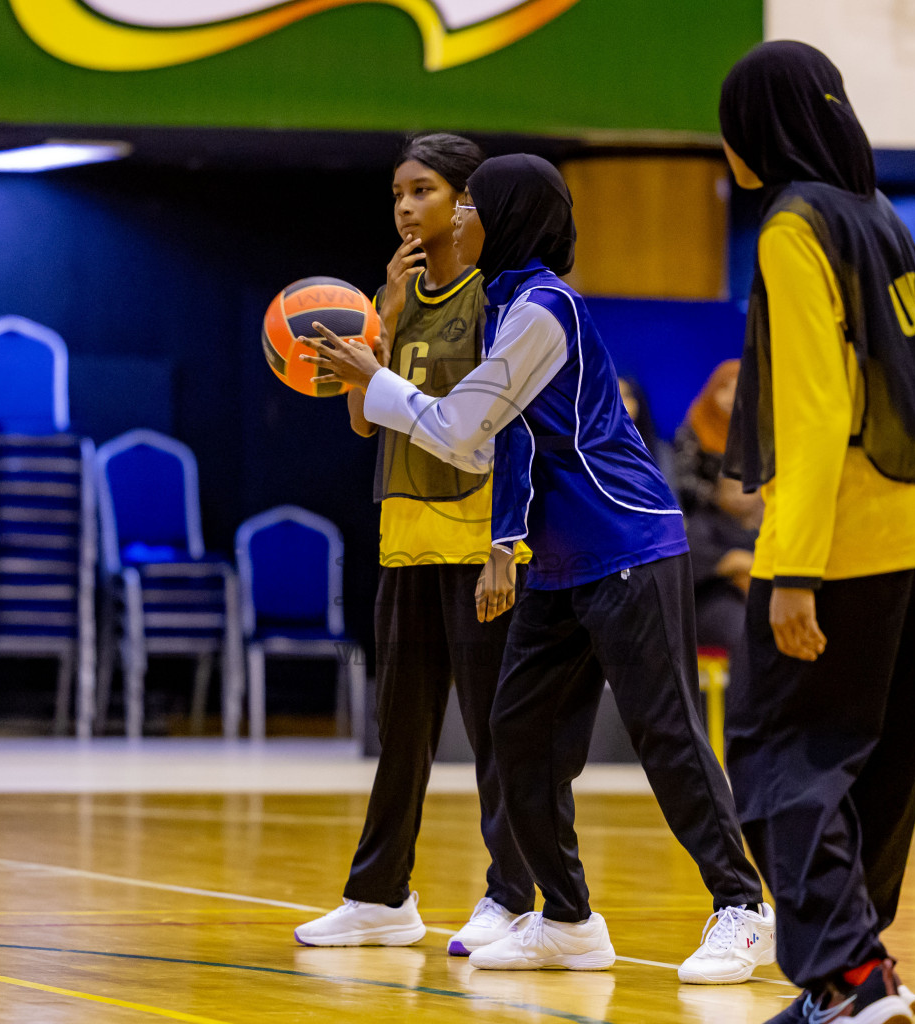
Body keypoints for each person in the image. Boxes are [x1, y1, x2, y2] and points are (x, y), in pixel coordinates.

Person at [299, 152, 776, 985]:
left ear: (512, 216)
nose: (451, 219)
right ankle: (566, 916)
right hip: (559, 561)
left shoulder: (544, 310)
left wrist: (374, 378)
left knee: (666, 733)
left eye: (468, 205)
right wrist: (505, 546)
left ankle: (742, 904)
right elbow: (506, 445)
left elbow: (458, 429)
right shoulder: (508, 307)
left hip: (629, 543)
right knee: (516, 736)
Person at [717, 42, 915, 1023]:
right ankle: (854, 976)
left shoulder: (793, 224)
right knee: (868, 761)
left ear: (761, 128)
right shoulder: (882, 215)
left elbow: (820, 411)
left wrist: (796, 570)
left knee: (781, 755)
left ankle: (852, 975)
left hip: (843, 531)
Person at [293, 134, 535, 957]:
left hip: (478, 548)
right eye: (398, 191)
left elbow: (506, 432)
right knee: (401, 737)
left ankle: (511, 898)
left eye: (423, 190)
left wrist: (510, 547)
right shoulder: (386, 300)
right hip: (405, 541)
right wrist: (385, 321)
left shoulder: (498, 301)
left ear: (467, 201)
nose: (404, 206)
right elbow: (364, 418)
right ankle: (380, 898)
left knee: (497, 737)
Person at [673, 359, 762, 671]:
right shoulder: (699, 521)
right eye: (732, 479)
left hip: (755, 595)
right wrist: (735, 562)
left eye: (749, 480)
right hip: (711, 601)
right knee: (745, 631)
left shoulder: (768, 522)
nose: (741, 487)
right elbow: (689, 561)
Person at [618, 375, 675, 486]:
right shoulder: (585, 451)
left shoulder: (660, 451)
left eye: (626, 396)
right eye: (610, 397)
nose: (619, 405)